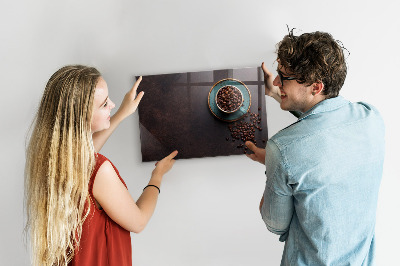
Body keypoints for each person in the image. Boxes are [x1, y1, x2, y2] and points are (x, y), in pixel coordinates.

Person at [245, 30, 385, 265]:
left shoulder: (282, 149)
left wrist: (273, 163)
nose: (277, 81)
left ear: (316, 87)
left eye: (284, 77)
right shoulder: (371, 118)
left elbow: (275, 224)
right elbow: (325, 125)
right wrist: (278, 94)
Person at [24, 65, 178, 266]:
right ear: (82, 117)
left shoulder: (53, 159)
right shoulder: (100, 170)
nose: (113, 104)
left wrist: (122, 113)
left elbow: (86, 157)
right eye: (105, 104)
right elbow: (138, 221)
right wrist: (157, 176)